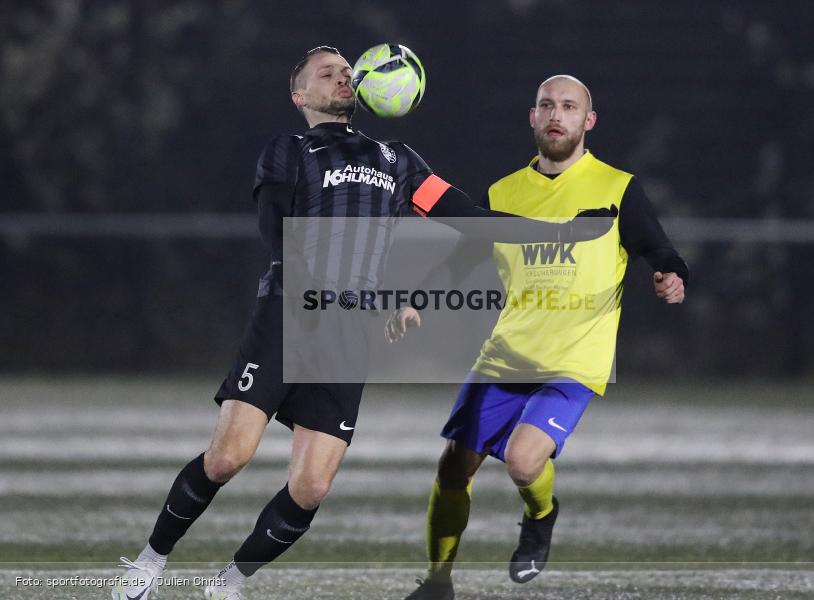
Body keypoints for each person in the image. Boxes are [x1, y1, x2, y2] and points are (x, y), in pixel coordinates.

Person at [111, 48, 616, 600]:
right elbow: (278, 232)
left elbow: (468, 218)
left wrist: (562, 232)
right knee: (229, 456)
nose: (342, 76)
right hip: (289, 316)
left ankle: (227, 584)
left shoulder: (395, 160)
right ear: (300, 96)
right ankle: (148, 563)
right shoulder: (290, 149)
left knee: (310, 487)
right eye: (325, 72)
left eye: (345, 69)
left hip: (348, 336)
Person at [392, 74, 689, 600]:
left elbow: (658, 247)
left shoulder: (617, 187)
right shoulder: (503, 192)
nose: (557, 114)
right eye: (547, 105)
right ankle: (438, 582)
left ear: (587, 121)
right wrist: (418, 297)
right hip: (506, 356)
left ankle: (541, 516)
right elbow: (463, 256)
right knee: (453, 469)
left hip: (575, 361)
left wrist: (669, 273)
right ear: (532, 117)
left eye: (569, 106)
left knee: (525, 461)